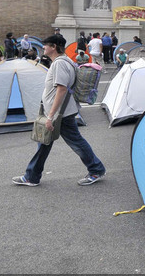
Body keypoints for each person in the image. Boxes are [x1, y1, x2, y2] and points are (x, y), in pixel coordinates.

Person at [13, 34, 106, 187]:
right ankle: (32, 176)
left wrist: (51, 116)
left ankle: (96, 169)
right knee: (44, 143)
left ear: (54, 47)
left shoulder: (60, 64)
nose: (43, 47)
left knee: (75, 142)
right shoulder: (63, 61)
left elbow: (61, 89)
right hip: (62, 112)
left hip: (61, 115)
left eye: (46, 45)